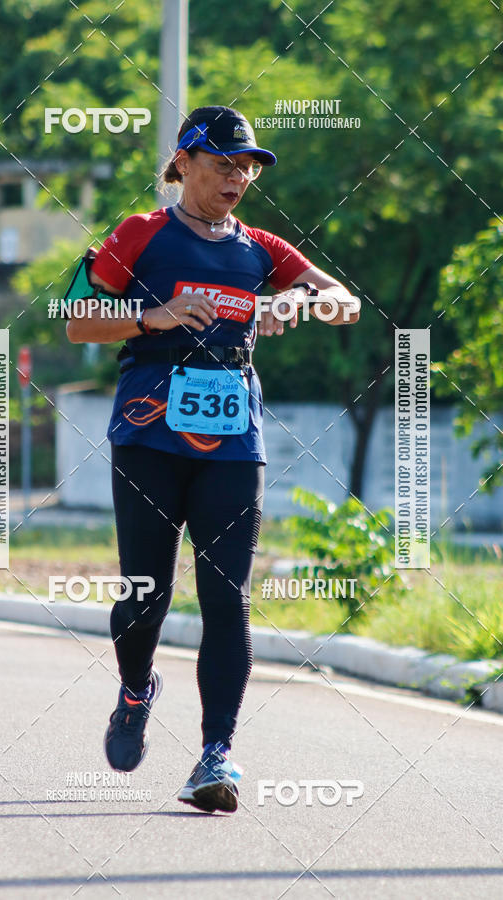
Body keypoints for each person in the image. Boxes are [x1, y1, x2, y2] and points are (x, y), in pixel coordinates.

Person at [66, 105, 360, 814]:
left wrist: (301, 302)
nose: (237, 178)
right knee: (146, 593)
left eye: (248, 168)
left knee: (227, 596)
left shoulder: (260, 247)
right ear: (184, 162)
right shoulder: (140, 234)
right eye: (224, 164)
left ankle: (215, 755)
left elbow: (346, 302)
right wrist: (152, 316)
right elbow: (75, 320)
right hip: (148, 433)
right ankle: (136, 689)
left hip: (232, 440)